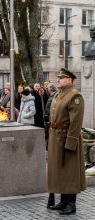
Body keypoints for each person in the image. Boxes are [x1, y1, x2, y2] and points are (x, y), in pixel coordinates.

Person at [47, 68, 86, 215]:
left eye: (61, 78)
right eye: (58, 77)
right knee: (60, 171)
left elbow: (75, 123)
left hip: (67, 139)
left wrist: (71, 143)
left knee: (70, 171)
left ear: (69, 80)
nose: (58, 79)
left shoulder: (75, 97)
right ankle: (63, 201)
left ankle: (71, 204)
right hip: (56, 138)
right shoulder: (59, 94)